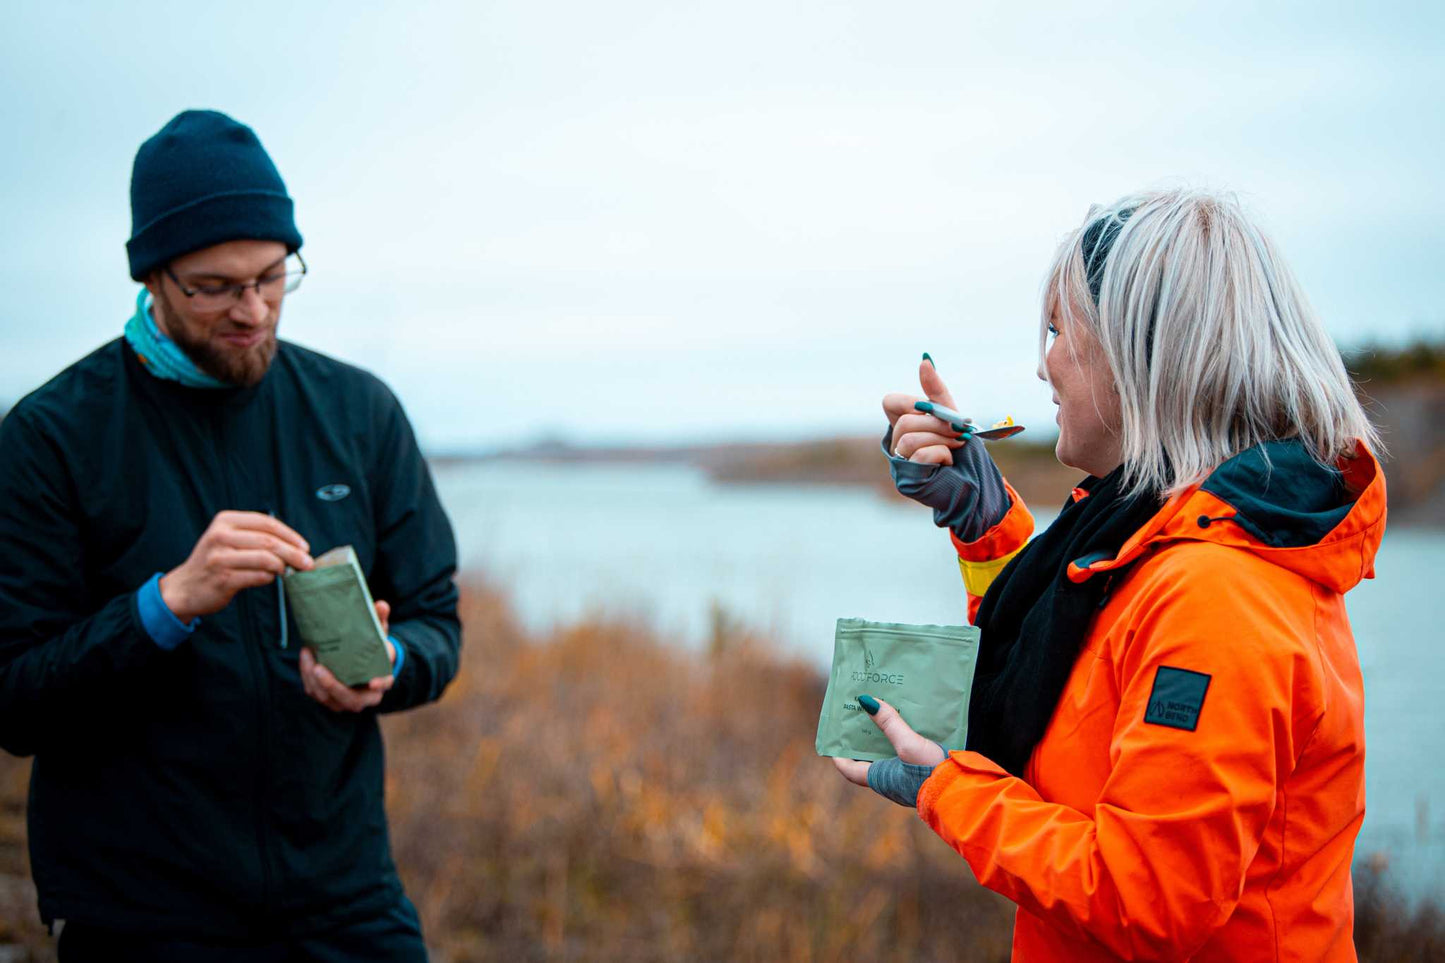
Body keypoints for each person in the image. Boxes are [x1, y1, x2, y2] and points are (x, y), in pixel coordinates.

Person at [833, 189, 1385, 961]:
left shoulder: (1216, 593)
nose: (1040, 362)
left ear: (1142, 354)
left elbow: (1146, 898)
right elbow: (1071, 669)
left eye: (1060, 329)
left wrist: (945, 788)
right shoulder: (1151, 538)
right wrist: (983, 521)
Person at [0, 110, 460, 961]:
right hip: (142, 913)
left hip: (345, 897)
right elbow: (15, 697)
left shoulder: (358, 412)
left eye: (272, 276)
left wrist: (387, 667)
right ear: (152, 276)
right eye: (213, 286)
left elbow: (438, 620)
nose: (252, 310)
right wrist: (164, 605)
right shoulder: (49, 436)